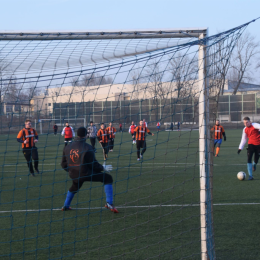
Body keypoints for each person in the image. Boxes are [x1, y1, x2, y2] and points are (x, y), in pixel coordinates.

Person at [61, 127, 118, 213]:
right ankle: (109, 203)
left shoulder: (67, 147)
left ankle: (66, 205)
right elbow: (93, 165)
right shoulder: (88, 147)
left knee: (75, 186)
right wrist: (102, 168)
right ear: (86, 135)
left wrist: (71, 170)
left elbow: (63, 164)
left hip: (74, 174)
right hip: (85, 173)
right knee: (107, 178)